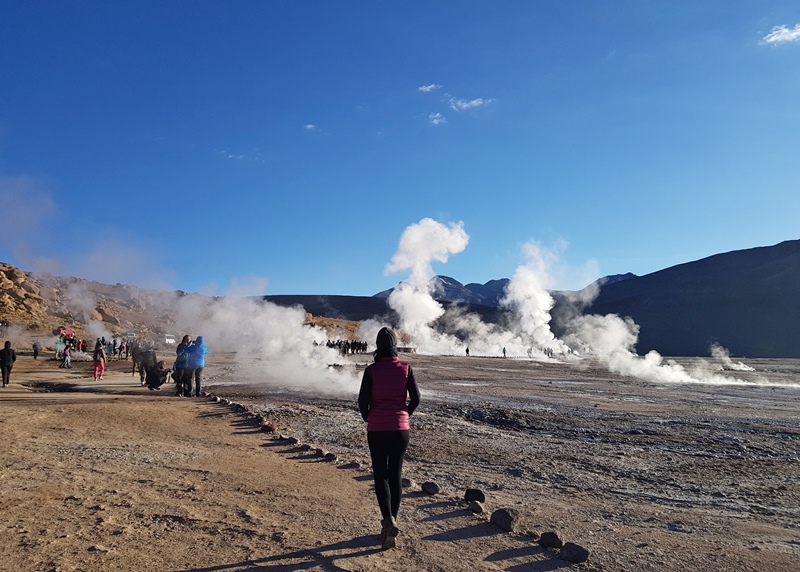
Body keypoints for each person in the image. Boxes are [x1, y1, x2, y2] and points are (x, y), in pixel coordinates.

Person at [358, 327, 420, 550]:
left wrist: (370, 417)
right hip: (400, 429)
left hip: (377, 428)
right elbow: (416, 399)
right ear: (394, 345)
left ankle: (388, 521)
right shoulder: (406, 368)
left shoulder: (372, 371)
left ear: (378, 345)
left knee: (380, 474)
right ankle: (392, 522)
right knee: (395, 474)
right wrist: (404, 415)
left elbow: (362, 401)